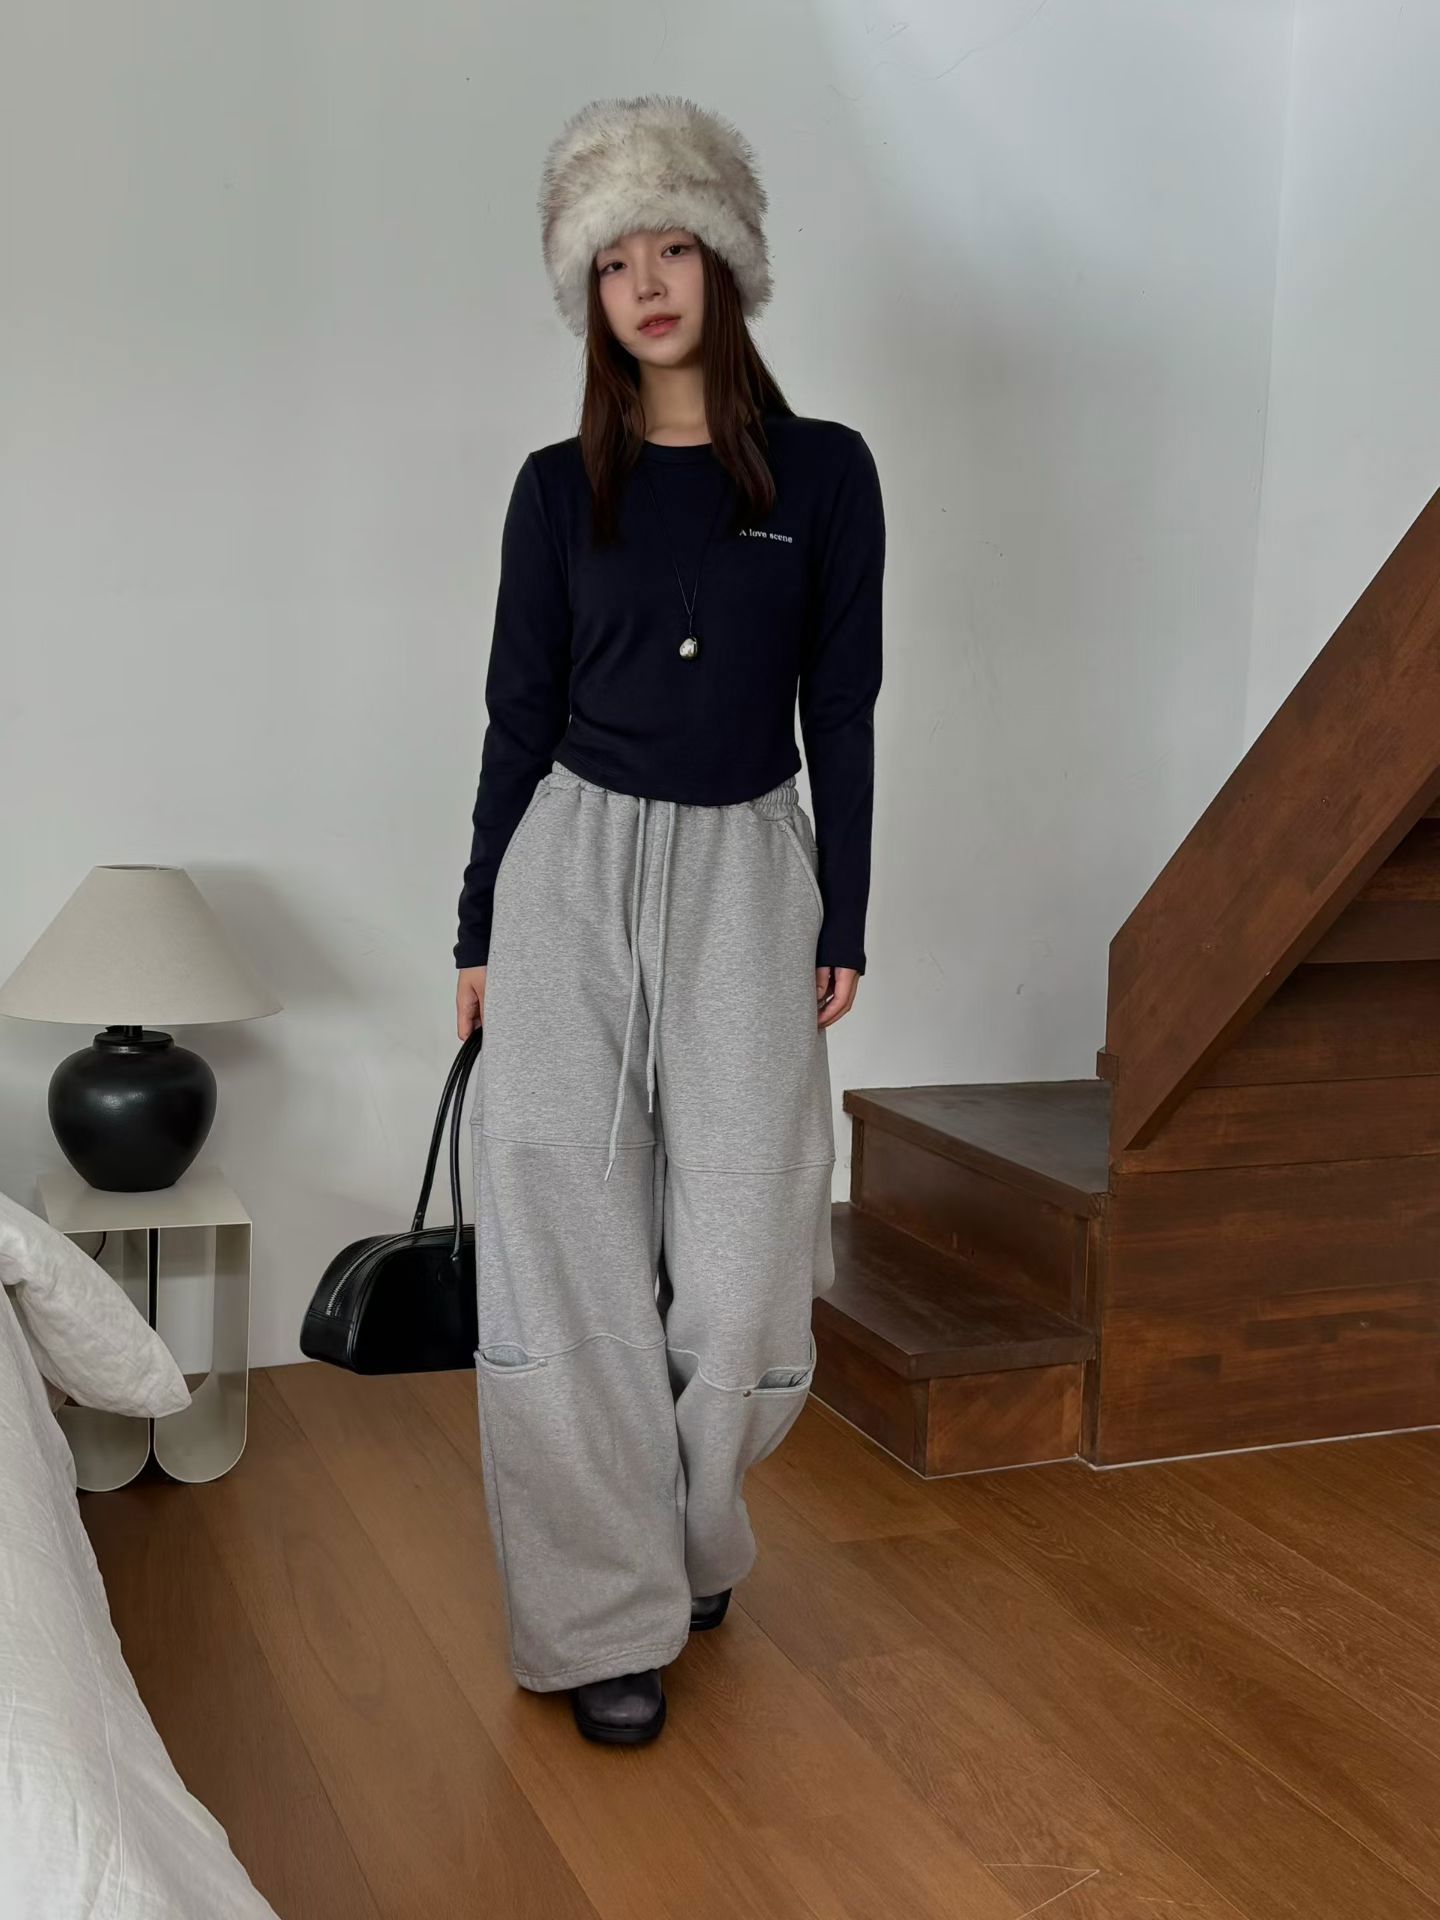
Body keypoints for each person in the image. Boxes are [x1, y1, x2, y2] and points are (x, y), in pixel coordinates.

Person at [454, 92, 885, 1746]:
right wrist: (479, 931)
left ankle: (690, 1535)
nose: (645, 283)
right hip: (567, 866)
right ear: (589, 290)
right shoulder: (554, 491)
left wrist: (846, 905)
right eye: (613, 260)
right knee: (557, 1228)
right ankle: (599, 1616)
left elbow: (841, 706)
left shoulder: (826, 476)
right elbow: (515, 719)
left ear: (726, 264)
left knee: (750, 1257)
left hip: (749, 871)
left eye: (673, 249)